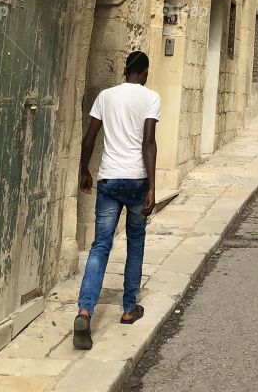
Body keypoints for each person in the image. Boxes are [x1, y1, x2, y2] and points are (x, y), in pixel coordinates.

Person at [73, 50, 160, 350]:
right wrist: (151, 185)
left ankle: (85, 310)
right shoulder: (150, 98)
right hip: (136, 180)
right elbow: (148, 142)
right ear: (145, 72)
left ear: (125, 71)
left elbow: (89, 139)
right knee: (135, 241)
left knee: (100, 245)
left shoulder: (105, 97)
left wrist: (84, 170)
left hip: (108, 179)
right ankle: (128, 308)